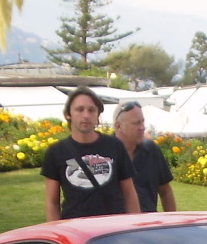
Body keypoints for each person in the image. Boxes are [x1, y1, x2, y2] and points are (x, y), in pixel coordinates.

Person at [41, 87, 139, 220]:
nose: (86, 115)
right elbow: (52, 203)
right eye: (79, 109)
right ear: (68, 114)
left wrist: (134, 227)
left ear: (98, 114)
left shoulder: (114, 146)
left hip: (113, 226)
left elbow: (129, 194)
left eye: (91, 110)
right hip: (74, 229)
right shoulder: (56, 152)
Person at [111, 101, 177, 214]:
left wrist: (173, 224)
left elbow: (165, 191)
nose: (142, 127)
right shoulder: (104, 154)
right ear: (118, 126)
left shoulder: (151, 150)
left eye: (142, 122)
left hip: (146, 227)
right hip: (116, 227)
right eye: (136, 123)